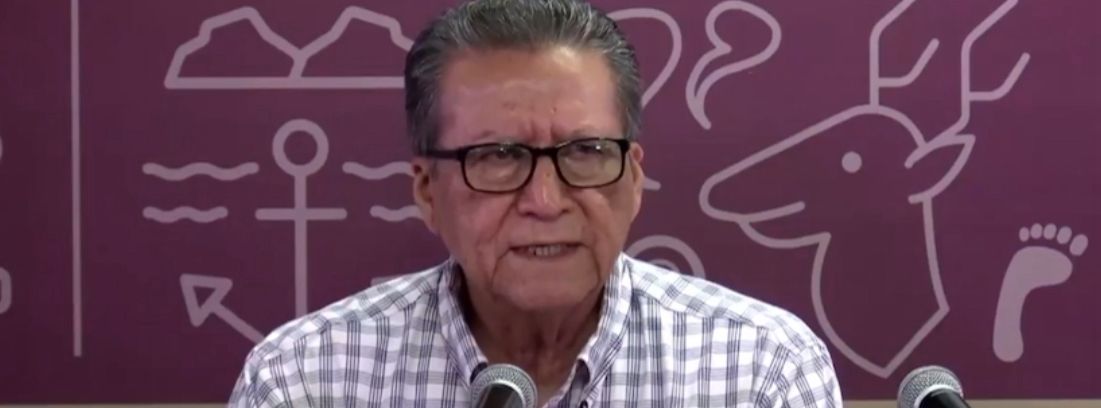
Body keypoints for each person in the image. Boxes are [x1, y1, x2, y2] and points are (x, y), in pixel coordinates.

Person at [229, 0, 842, 406]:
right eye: (498, 157)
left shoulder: (761, 371)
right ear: (427, 191)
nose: (545, 202)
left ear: (634, 179)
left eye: (585, 152)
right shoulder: (305, 380)